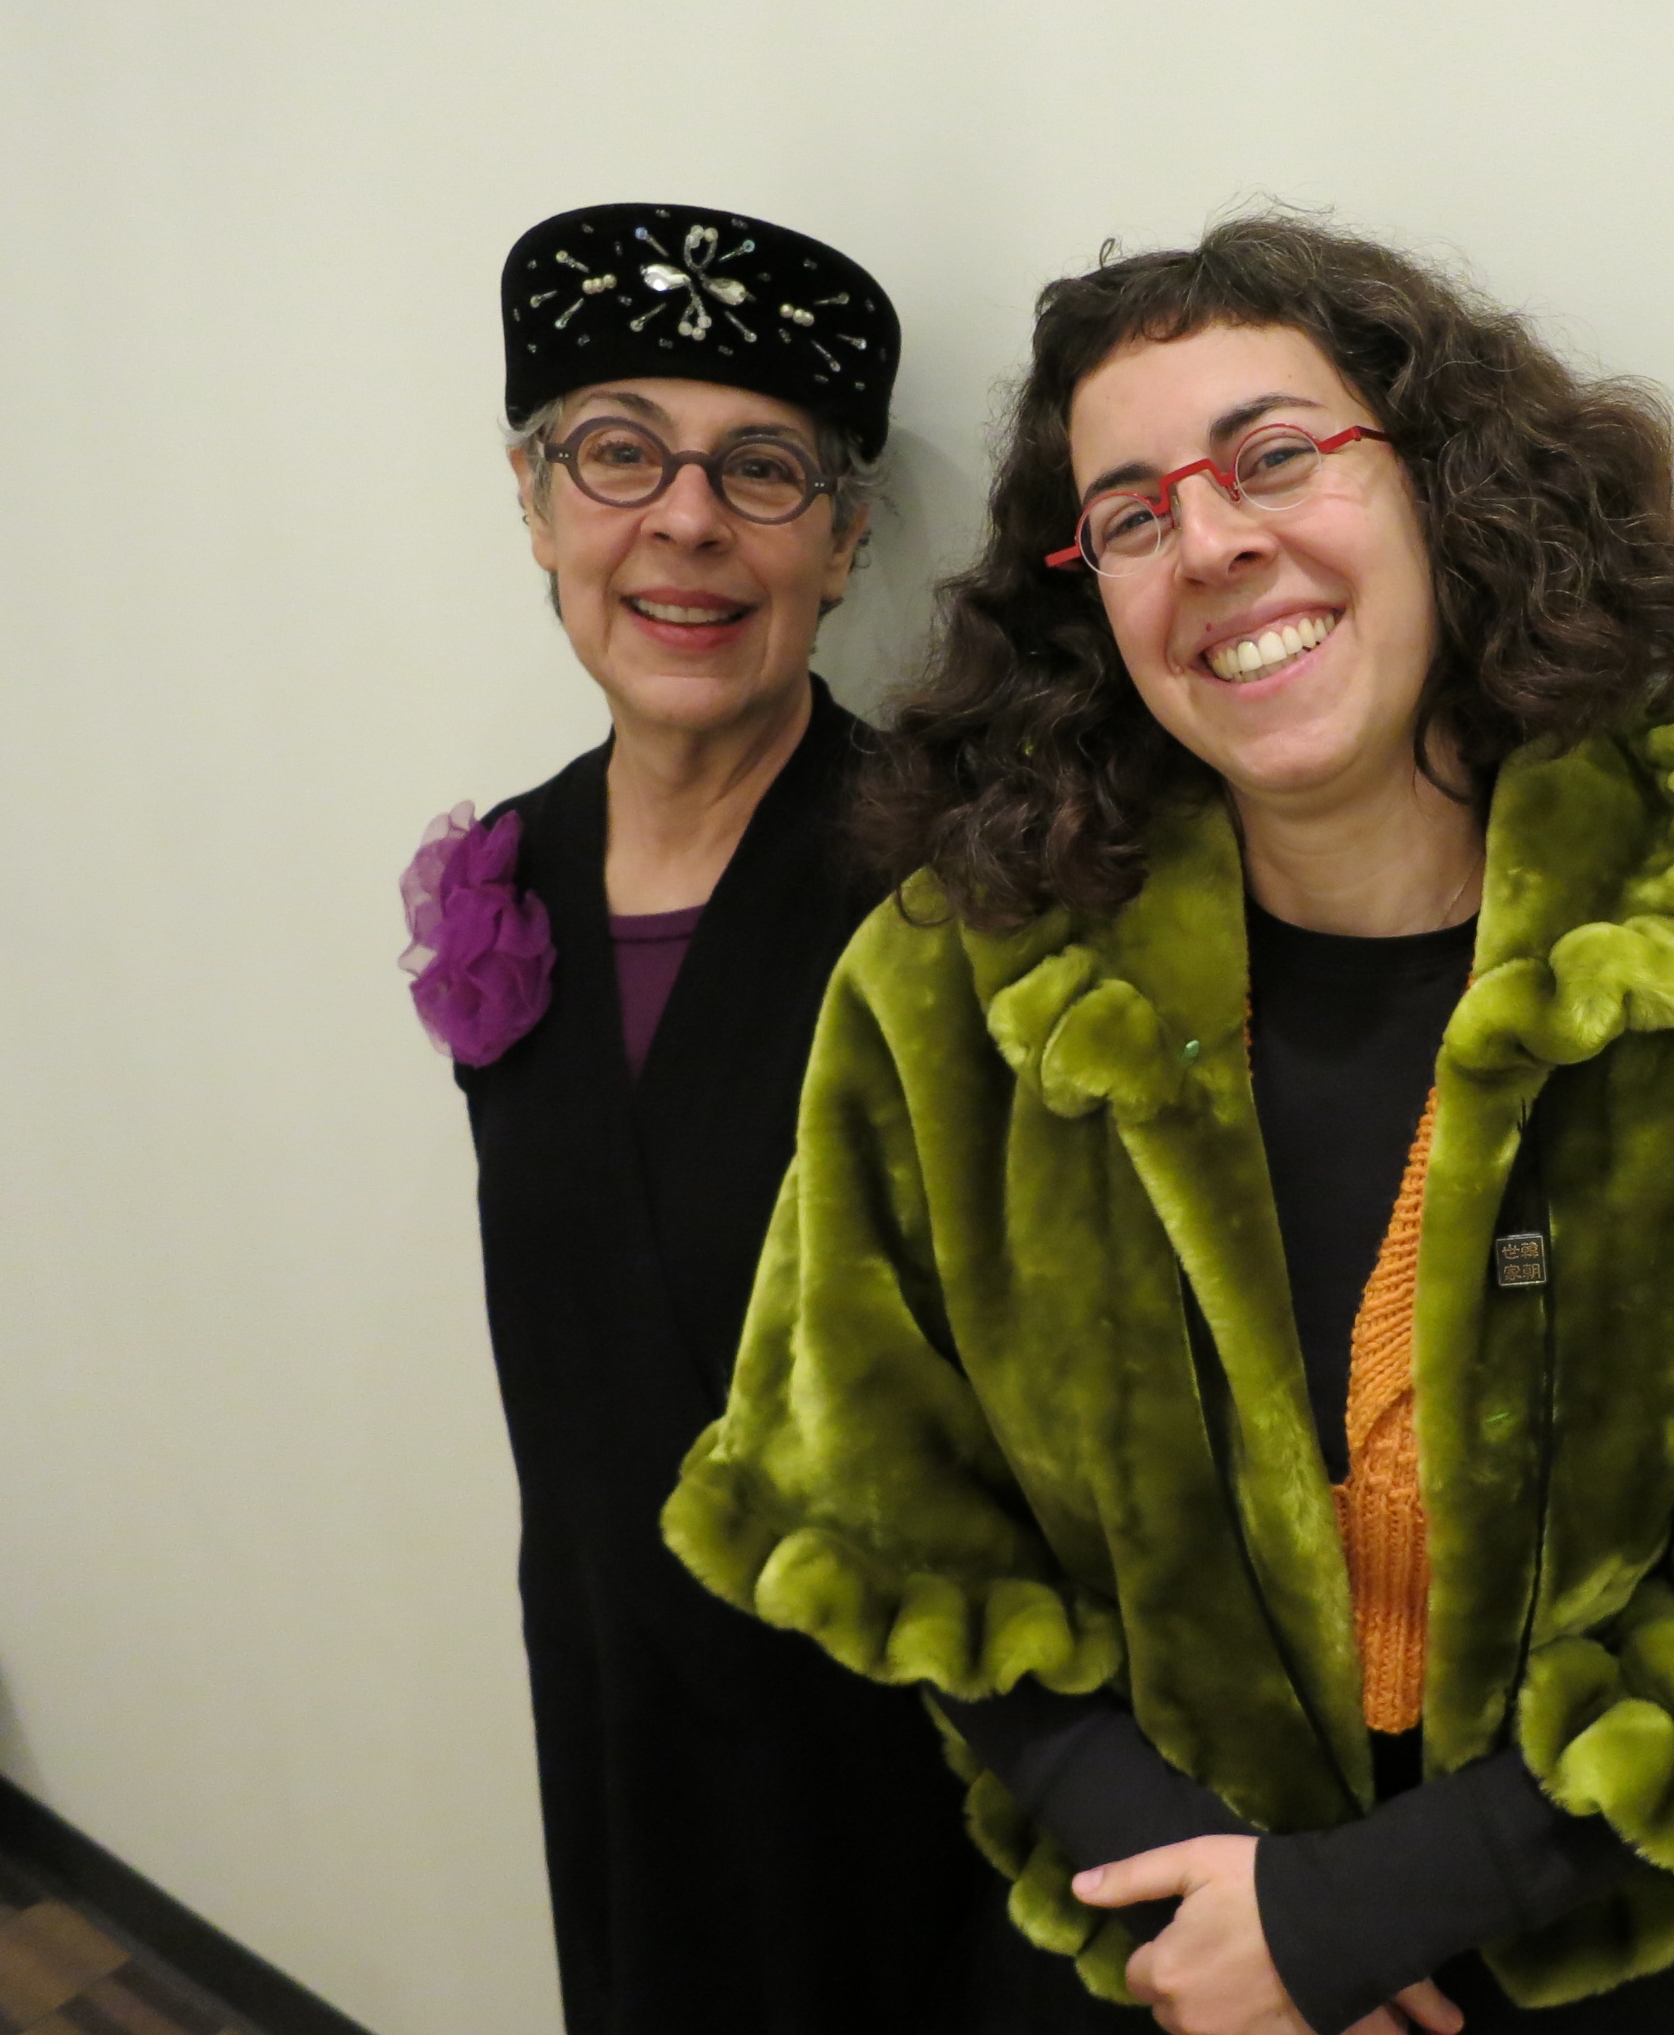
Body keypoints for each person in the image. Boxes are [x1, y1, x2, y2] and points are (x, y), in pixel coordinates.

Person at [664, 214, 1674, 2034]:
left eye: (1273, 455)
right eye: (1129, 515)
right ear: (1088, 600)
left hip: (1589, 1978)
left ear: (1446, 489)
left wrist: (1372, 1908)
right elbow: (883, 1497)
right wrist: (1202, 1892)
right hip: (1142, 1955)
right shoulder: (956, 997)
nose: (1211, 541)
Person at [399, 201, 987, 2033]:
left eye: (763, 468)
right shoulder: (509, 872)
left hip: (906, 1759)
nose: (685, 520)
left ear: (846, 539)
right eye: (618, 452)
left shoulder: (957, 893)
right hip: (610, 1710)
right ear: (534, 503)